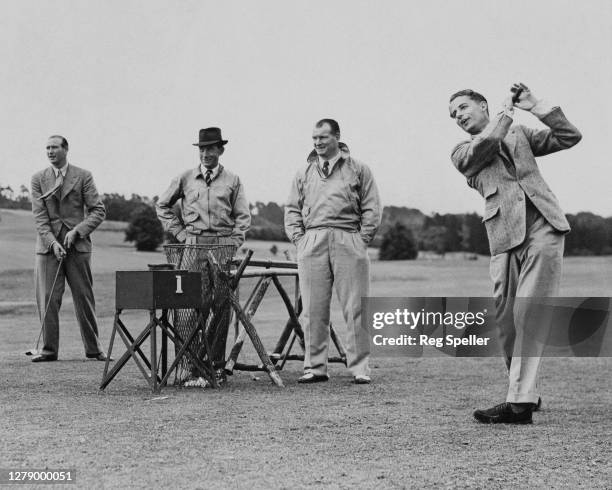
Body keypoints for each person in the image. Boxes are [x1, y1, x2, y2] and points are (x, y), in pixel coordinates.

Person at [448, 83, 582, 423]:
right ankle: (525, 392)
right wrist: (506, 113)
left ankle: (519, 403)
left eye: (463, 108)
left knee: (529, 315)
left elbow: (569, 137)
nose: (458, 117)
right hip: (503, 240)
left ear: (482, 105)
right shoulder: (462, 153)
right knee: (507, 325)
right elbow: (488, 144)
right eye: (453, 115)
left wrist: (535, 105)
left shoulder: (520, 133)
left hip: (545, 229)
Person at [284, 118, 382, 384]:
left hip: (348, 237)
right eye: (314, 138)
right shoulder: (304, 172)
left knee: (356, 307)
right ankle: (315, 367)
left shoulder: (358, 169)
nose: (317, 143)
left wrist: (362, 239)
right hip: (312, 240)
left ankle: (360, 368)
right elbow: (292, 209)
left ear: (337, 137)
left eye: (323, 138)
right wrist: (299, 239)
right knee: (313, 309)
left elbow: (372, 207)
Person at [156, 127, 250, 384]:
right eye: (202, 149)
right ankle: (190, 366)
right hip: (192, 246)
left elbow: (243, 217)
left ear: (221, 150)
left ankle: (215, 367)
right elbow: (162, 206)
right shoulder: (185, 178)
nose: (206, 153)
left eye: (211, 148)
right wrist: (181, 234)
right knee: (188, 305)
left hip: (221, 247)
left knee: (221, 306)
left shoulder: (233, 180)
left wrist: (232, 243)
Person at [30, 135, 108, 362]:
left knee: (84, 297)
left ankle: (94, 349)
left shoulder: (83, 176)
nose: (50, 151)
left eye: (54, 147)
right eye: (47, 148)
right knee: (47, 298)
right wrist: (52, 243)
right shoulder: (37, 179)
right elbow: (40, 218)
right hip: (47, 248)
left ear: (66, 149)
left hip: (78, 246)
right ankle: (48, 350)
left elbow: (98, 211)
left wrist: (78, 231)